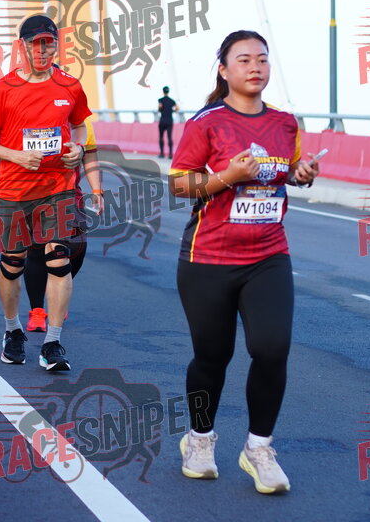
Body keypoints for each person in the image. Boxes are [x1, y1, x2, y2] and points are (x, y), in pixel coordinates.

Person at [169, 30, 319, 494]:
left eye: (262, 59)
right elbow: (179, 185)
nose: (255, 67)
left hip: (268, 255)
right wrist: (227, 176)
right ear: (224, 69)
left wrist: (302, 174)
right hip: (208, 257)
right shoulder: (207, 123)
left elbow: (289, 172)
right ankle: (199, 440)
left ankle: (258, 448)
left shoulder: (285, 123)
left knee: (272, 349)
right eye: (244, 60)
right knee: (213, 357)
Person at [0, 14, 91, 371]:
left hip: (58, 188)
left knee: (59, 259)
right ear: (21, 46)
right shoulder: (3, 89)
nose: (42, 51)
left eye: (49, 44)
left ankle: (53, 342)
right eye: (35, 44)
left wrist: (78, 149)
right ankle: (12, 331)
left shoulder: (70, 86)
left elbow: (80, 126)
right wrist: (17, 156)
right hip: (15, 189)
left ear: (57, 46)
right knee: (13, 264)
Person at [0, 114, 103, 333]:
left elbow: (91, 156)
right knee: (38, 252)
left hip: (67, 193)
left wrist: (97, 190)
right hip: (26, 194)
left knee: (77, 248)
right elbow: (5, 161)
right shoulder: (28, 118)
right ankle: (37, 311)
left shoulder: (82, 123)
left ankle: (58, 293)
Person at [158, 86, 179, 159]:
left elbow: (160, 108)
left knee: (161, 137)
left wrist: (161, 110)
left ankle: (162, 153)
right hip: (170, 120)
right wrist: (173, 111)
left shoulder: (161, 100)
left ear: (163, 91)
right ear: (168, 91)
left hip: (162, 120)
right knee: (169, 137)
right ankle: (170, 154)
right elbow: (177, 108)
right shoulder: (172, 101)